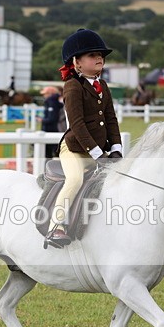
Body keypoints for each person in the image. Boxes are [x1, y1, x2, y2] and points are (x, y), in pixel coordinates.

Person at [46, 28, 122, 247]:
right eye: (92, 55)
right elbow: (77, 124)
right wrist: (98, 154)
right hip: (75, 150)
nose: (99, 57)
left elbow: (111, 119)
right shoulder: (72, 86)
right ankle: (56, 226)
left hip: (99, 150)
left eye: (101, 55)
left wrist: (116, 148)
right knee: (75, 180)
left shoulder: (103, 86)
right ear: (77, 62)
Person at [40, 86, 64, 158]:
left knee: (49, 152)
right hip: (55, 129)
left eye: (45, 94)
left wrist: (42, 120)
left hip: (51, 129)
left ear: (50, 93)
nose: (44, 96)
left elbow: (52, 118)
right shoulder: (54, 101)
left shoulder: (52, 102)